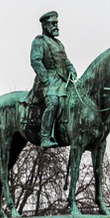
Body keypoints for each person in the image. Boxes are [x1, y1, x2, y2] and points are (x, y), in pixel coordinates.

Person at [29, 10, 78, 149]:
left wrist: (72, 71)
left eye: (57, 23)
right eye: (53, 23)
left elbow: (66, 61)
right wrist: (45, 80)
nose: (56, 26)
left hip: (63, 81)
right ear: (45, 25)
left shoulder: (59, 44)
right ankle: (45, 137)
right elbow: (36, 61)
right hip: (47, 82)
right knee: (54, 102)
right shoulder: (39, 41)